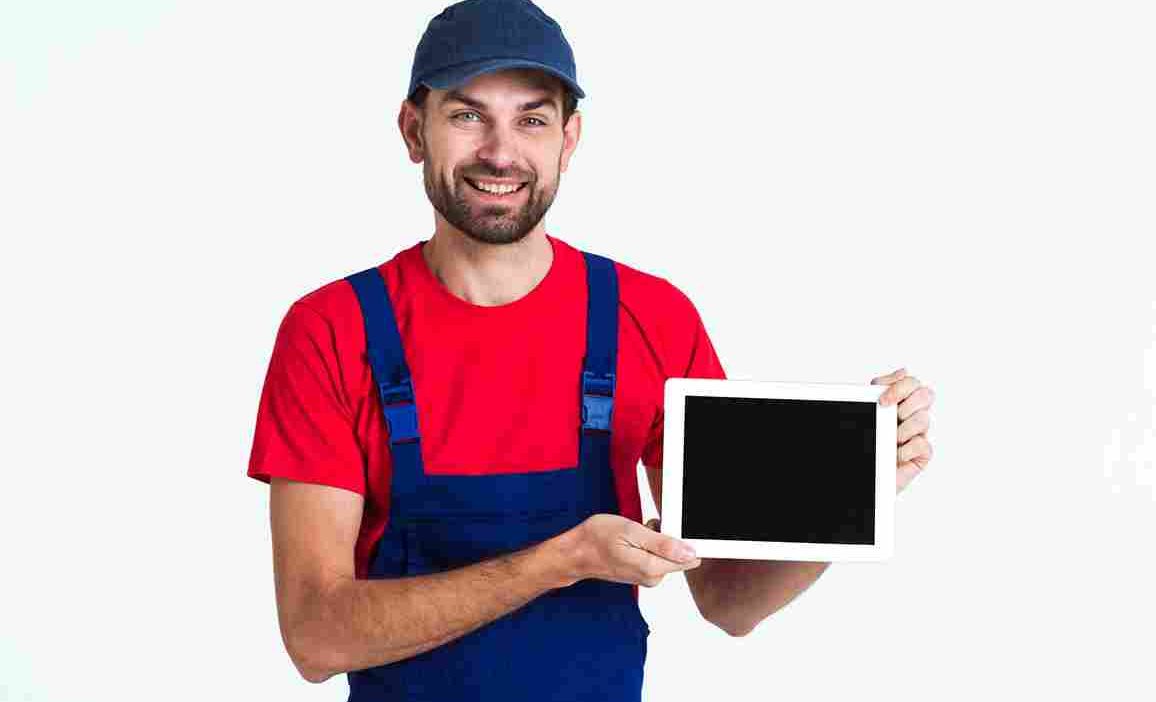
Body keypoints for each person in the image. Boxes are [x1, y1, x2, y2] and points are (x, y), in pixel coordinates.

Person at [246, 0, 936, 699]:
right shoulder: (332, 332)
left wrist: (849, 493)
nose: (499, 151)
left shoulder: (652, 318)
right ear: (412, 129)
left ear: (569, 140)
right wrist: (558, 561)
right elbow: (315, 634)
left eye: (532, 119)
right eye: (467, 114)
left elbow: (729, 602)